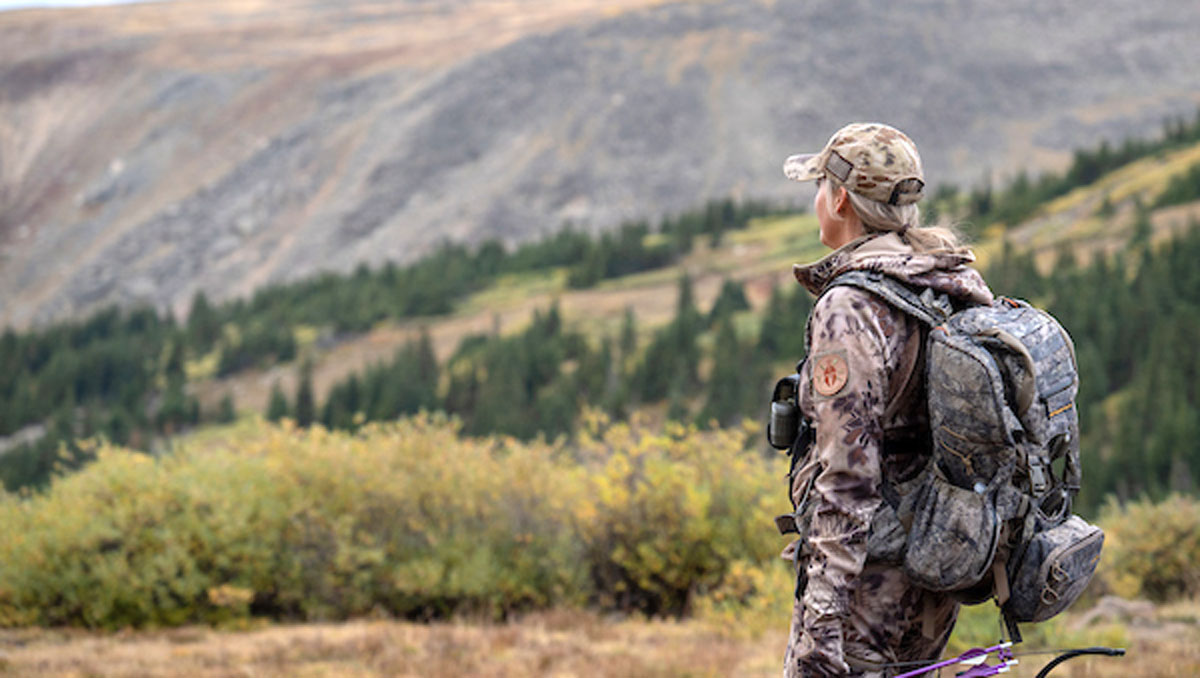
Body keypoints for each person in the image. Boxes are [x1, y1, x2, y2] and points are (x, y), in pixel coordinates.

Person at [778, 123, 995, 677]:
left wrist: (822, 621)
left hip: (867, 588)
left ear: (841, 197)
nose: (817, 200)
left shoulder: (850, 308)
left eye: (820, 186)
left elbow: (848, 475)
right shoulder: (949, 282)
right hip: (933, 567)